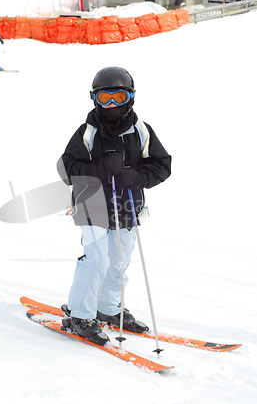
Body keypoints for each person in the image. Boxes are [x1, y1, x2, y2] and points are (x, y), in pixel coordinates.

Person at [57, 67, 172, 345]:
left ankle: (109, 309)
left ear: (130, 97)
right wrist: (98, 168)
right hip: (92, 204)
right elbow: (66, 169)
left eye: (118, 97)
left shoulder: (141, 130)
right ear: (94, 99)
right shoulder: (88, 132)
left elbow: (162, 165)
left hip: (127, 205)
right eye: (104, 98)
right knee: (96, 260)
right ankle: (80, 315)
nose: (111, 105)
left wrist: (138, 176)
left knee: (118, 263)